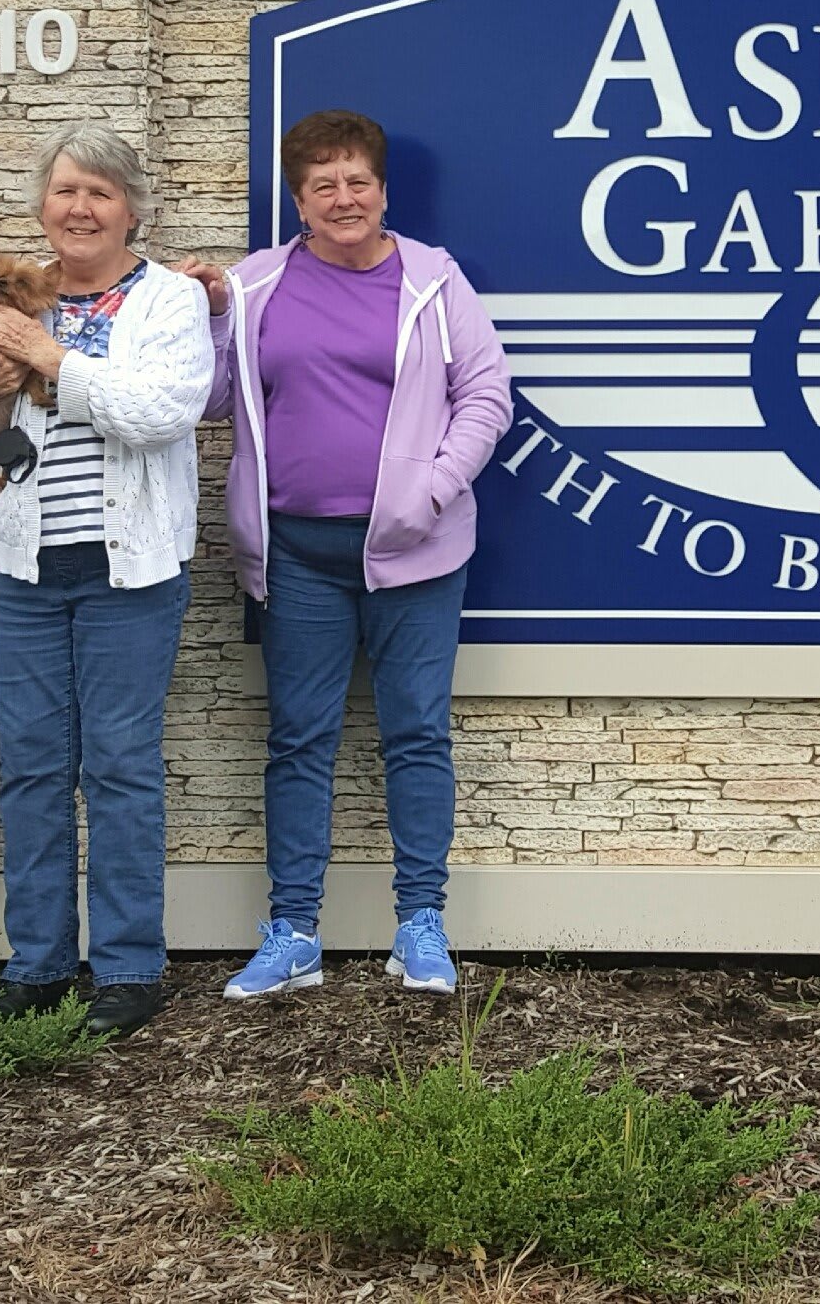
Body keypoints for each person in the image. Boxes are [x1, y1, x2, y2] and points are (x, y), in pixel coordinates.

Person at [179, 110, 511, 1000]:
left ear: (382, 190)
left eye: (356, 180)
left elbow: (486, 395)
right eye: (322, 184)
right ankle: (292, 932)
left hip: (417, 554)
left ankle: (421, 926)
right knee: (298, 741)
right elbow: (210, 400)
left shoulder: (434, 283)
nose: (342, 197)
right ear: (299, 201)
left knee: (415, 736)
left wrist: (431, 490)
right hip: (294, 556)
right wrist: (211, 317)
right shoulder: (254, 287)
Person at [0, 122, 211, 1038]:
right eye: (66, 191)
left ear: (130, 211)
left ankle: (126, 968)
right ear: (43, 205)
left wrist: (49, 359)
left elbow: (159, 413)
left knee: (118, 769)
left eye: (101, 194)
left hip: (131, 573)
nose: (80, 208)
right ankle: (38, 963)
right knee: (33, 771)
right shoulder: (6, 298)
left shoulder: (165, 303)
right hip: (26, 571)